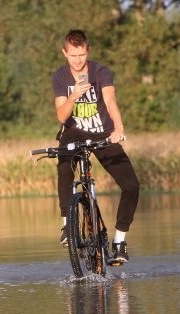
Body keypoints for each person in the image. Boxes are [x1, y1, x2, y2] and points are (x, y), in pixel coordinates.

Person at [52, 29, 139, 263]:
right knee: (64, 165)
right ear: (65, 53)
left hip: (103, 133)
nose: (78, 61)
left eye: (81, 55)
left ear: (87, 52)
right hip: (73, 132)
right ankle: (66, 225)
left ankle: (119, 242)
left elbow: (110, 101)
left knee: (131, 185)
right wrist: (74, 97)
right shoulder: (60, 77)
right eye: (73, 56)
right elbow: (61, 116)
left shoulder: (100, 72)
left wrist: (118, 129)